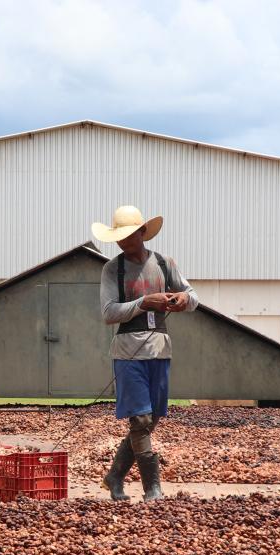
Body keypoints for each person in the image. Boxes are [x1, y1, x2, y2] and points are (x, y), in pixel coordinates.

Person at [95, 205, 199, 501]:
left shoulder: (165, 264)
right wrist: (143, 303)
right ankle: (152, 488)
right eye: (119, 236)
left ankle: (115, 476)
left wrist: (180, 299)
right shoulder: (112, 269)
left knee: (150, 420)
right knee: (139, 421)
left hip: (160, 351)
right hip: (128, 353)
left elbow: (193, 298)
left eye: (129, 235)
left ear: (143, 233)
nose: (123, 241)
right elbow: (108, 312)